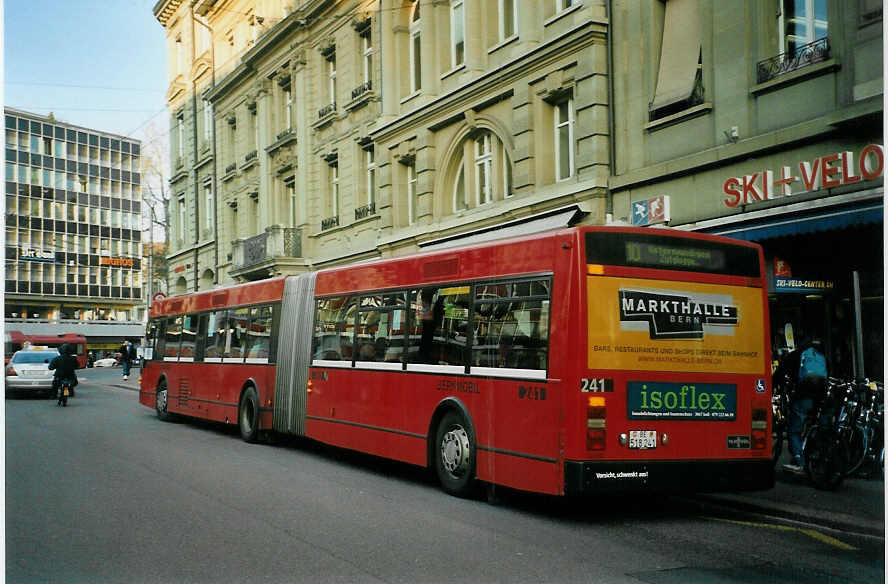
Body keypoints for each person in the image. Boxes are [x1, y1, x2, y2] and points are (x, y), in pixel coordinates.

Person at [781, 339, 828, 474]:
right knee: (817, 428)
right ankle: (817, 460)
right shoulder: (822, 356)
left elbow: (781, 372)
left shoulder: (797, 354)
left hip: (803, 396)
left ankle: (799, 462)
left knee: (794, 430)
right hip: (820, 398)